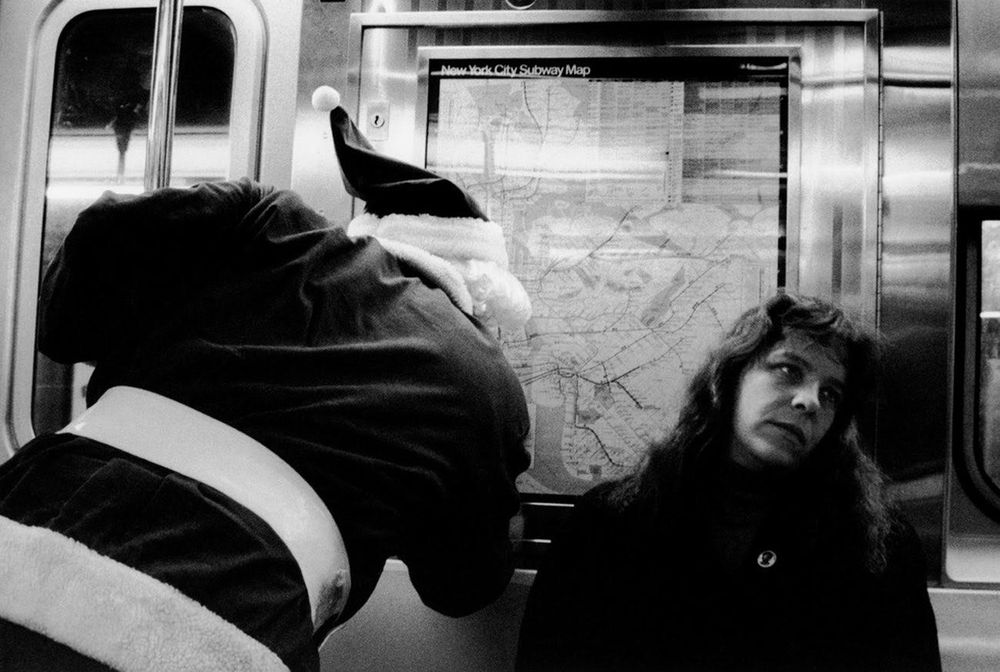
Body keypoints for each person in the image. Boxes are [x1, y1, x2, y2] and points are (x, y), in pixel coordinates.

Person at [0, 93, 532, 672]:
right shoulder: (483, 376)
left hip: (23, 519)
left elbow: (81, 282)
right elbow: (462, 585)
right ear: (481, 297)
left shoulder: (266, 217)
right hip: (217, 622)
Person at [515, 292, 941, 672]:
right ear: (729, 380)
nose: (810, 401)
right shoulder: (610, 523)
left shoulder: (876, 546)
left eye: (830, 393)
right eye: (788, 369)